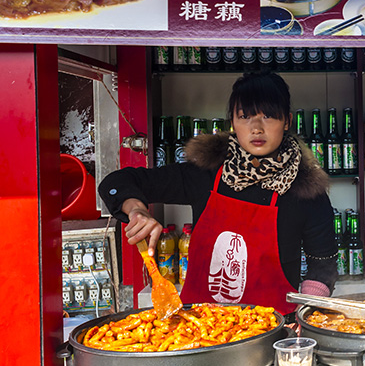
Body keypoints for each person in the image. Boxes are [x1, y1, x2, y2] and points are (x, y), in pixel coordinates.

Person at [99, 71, 337, 314]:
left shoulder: (307, 188)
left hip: (275, 332)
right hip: (202, 329)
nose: (256, 128)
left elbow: (323, 265)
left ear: (287, 121)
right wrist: (136, 208)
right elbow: (117, 181)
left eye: (268, 116)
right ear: (232, 122)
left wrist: (306, 313)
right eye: (245, 116)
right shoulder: (204, 173)